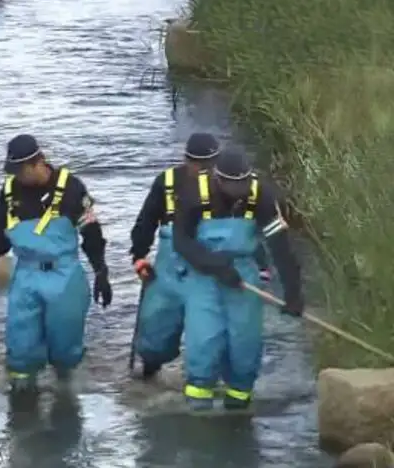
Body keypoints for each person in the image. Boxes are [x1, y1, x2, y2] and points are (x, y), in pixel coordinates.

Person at [129, 133, 272, 380]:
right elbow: (146, 221)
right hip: (172, 267)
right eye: (196, 163)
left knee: (216, 333)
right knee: (156, 328)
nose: (202, 169)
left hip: (213, 269)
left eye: (208, 163)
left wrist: (261, 266)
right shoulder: (167, 182)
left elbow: (246, 235)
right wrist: (139, 256)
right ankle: (150, 369)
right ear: (186, 160)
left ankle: (208, 376)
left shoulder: (231, 188)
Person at [173, 147, 304, 411]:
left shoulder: (262, 196)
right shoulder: (192, 194)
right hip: (203, 273)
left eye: (244, 183)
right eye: (234, 186)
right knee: (205, 339)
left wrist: (293, 292)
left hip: (244, 273)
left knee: (245, 343)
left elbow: (280, 246)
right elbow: (181, 242)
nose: (241, 190)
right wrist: (215, 265)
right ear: (218, 180)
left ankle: (238, 404)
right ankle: (198, 407)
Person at [0, 134, 112, 392]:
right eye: (13, 171)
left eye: (22, 170)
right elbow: (0, 236)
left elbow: (91, 234)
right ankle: (22, 400)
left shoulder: (71, 188)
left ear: (39, 162)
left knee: (64, 347)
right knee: (20, 347)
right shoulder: (8, 193)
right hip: (26, 276)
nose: (18, 176)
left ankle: (66, 393)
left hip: (64, 277)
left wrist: (101, 270)